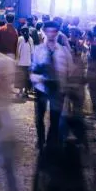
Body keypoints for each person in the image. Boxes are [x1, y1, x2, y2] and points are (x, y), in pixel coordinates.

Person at [31, 21, 73, 151]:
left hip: (58, 88)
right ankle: (40, 140)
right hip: (41, 88)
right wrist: (40, 79)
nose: (51, 34)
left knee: (55, 118)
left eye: (54, 31)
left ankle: (50, 143)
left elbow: (69, 69)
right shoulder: (38, 50)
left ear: (57, 32)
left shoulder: (63, 51)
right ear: (44, 32)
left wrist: (66, 85)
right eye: (48, 31)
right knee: (39, 117)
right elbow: (33, 70)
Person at [16, 26, 33, 99]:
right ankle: (26, 92)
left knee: (20, 77)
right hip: (28, 62)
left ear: (21, 32)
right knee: (27, 78)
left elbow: (18, 50)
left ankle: (20, 92)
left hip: (21, 62)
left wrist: (16, 60)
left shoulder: (20, 39)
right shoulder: (31, 39)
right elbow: (32, 52)